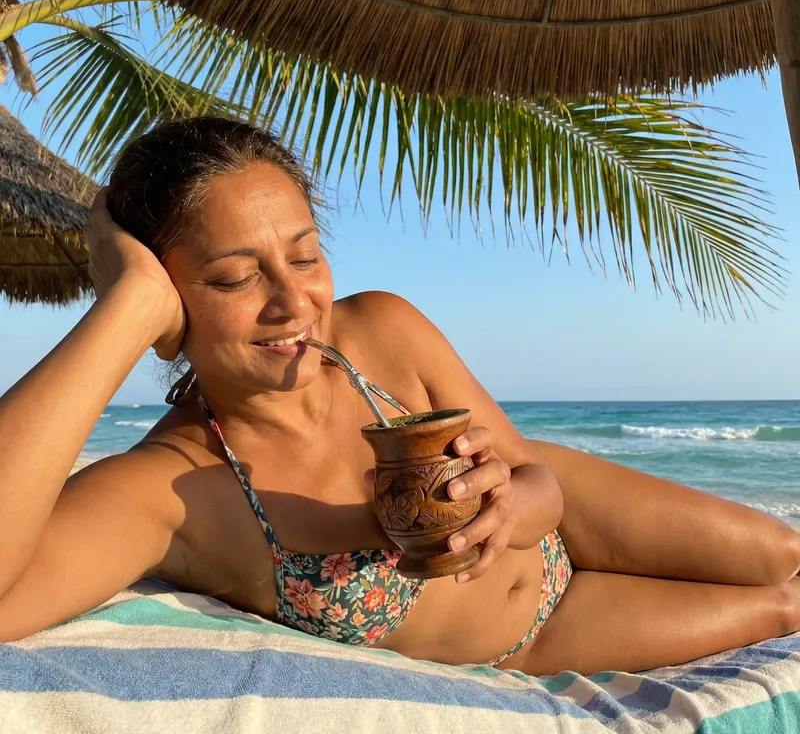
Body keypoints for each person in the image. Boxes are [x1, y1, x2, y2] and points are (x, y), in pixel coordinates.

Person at [0, 117, 797, 676]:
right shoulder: (172, 488)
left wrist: (512, 507)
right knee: (781, 612)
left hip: (565, 532)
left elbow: (537, 479)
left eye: (305, 257)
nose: (292, 301)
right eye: (237, 278)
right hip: (536, 640)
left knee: (786, 558)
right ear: (170, 305)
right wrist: (127, 310)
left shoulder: (381, 329)